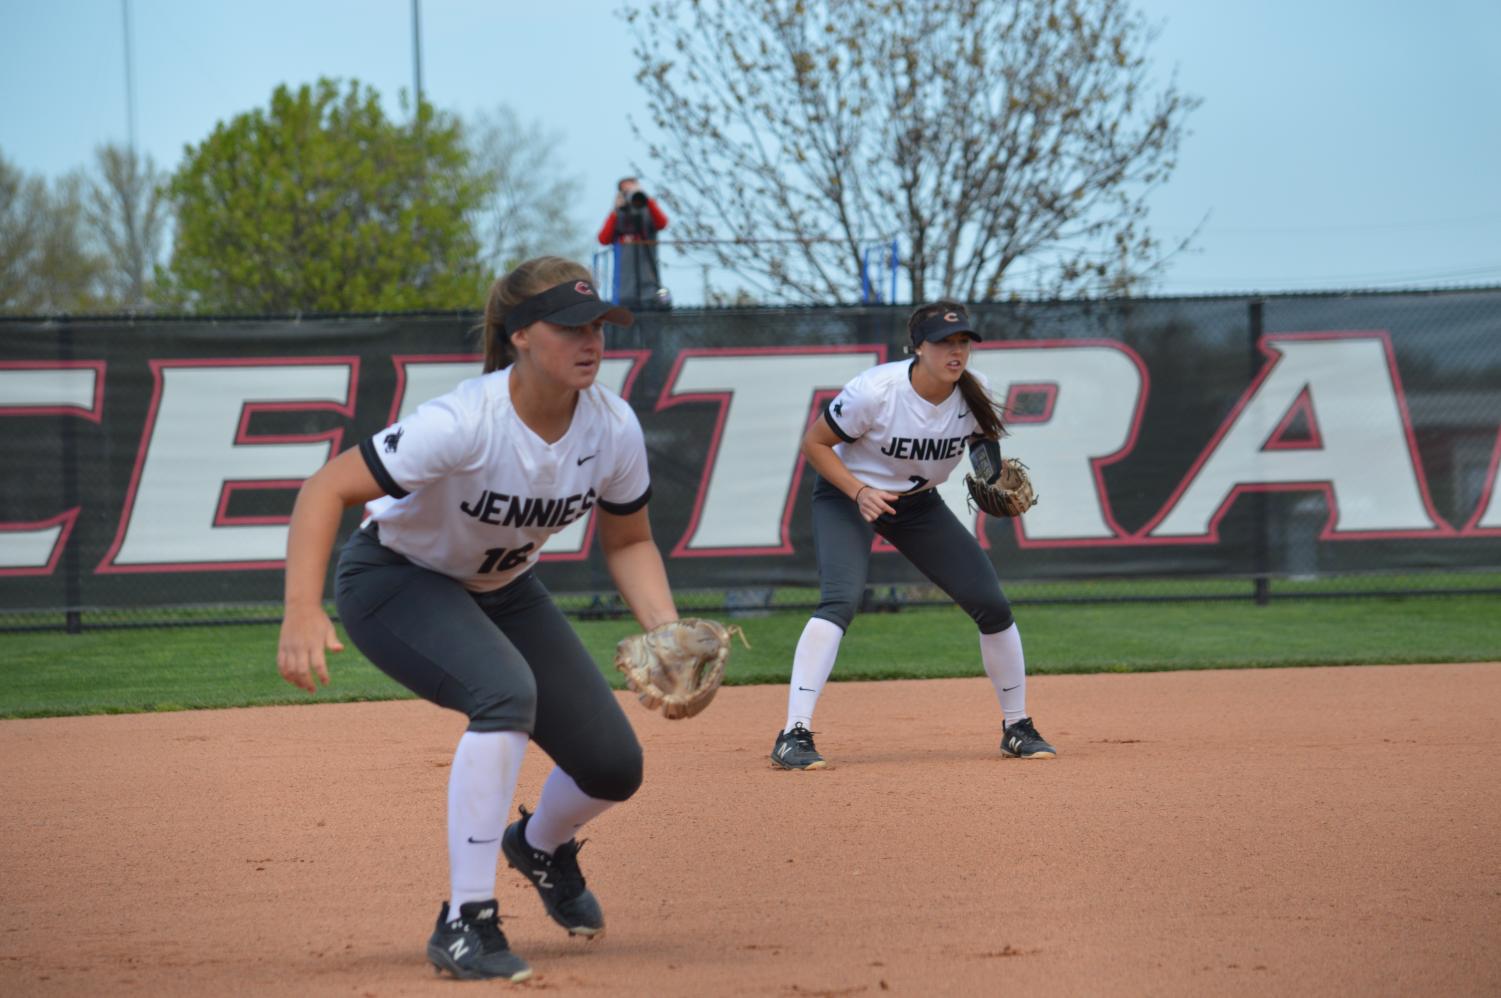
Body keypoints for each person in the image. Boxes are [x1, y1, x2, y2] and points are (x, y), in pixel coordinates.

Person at [276, 256, 683, 982]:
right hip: (396, 580)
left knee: (612, 766)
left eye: (597, 325)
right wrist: (300, 611)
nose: (590, 340)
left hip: (505, 587)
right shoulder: (465, 420)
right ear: (522, 335)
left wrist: (666, 630)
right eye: (569, 327)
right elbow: (324, 487)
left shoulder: (611, 427)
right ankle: (465, 922)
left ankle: (538, 844)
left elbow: (629, 539)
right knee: (504, 695)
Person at [770, 301, 1057, 771]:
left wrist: (993, 476)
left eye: (964, 341)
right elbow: (815, 443)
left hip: (918, 505)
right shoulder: (876, 392)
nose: (956, 351)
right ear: (918, 347)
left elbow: (983, 447)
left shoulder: (974, 391)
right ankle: (793, 733)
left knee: (992, 603)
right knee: (839, 602)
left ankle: (1017, 727)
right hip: (848, 496)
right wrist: (858, 491)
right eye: (945, 342)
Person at [597, 176, 669, 309]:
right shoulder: (617, 215)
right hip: (624, 289)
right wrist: (615, 211)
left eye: (633, 189)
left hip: (650, 286)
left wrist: (647, 199)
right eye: (626, 191)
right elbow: (603, 239)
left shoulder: (648, 211)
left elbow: (663, 223)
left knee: (652, 320)